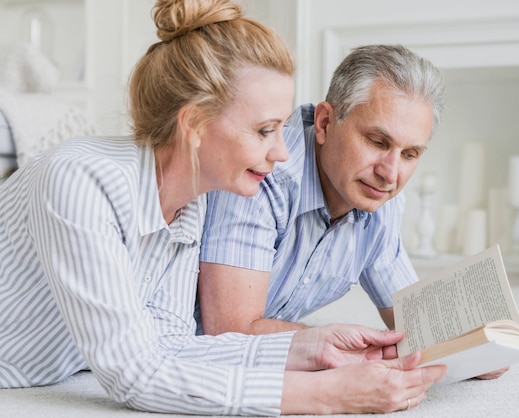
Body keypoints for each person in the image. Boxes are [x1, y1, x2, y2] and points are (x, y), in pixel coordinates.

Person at [0, 0, 447, 415]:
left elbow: (170, 345)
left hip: (58, 370)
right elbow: (133, 373)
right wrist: (327, 393)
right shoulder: (79, 179)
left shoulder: (191, 207)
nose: (283, 153)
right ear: (194, 123)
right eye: (265, 130)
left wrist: (317, 347)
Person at [197, 44, 444, 336]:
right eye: (377, 142)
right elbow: (230, 332)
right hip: (184, 366)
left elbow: (418, 323)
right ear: (324, 123)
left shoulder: (380, 199)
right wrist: (350, 349)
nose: (390, 174)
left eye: (409, 155)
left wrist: (478, 343)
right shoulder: (263, 173)